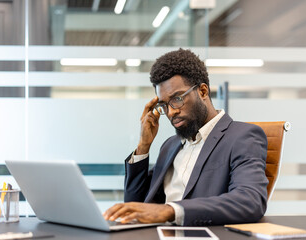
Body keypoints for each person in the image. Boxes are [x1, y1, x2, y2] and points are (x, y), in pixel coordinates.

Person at [103, 48, 268, 226]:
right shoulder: (170, 145)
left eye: (177, 99)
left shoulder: (242, 137)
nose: (171, 112)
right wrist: (144, 146)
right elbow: (134, 205)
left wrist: (170, 210)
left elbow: (250, 201)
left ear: (203, 91)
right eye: (164, 105)